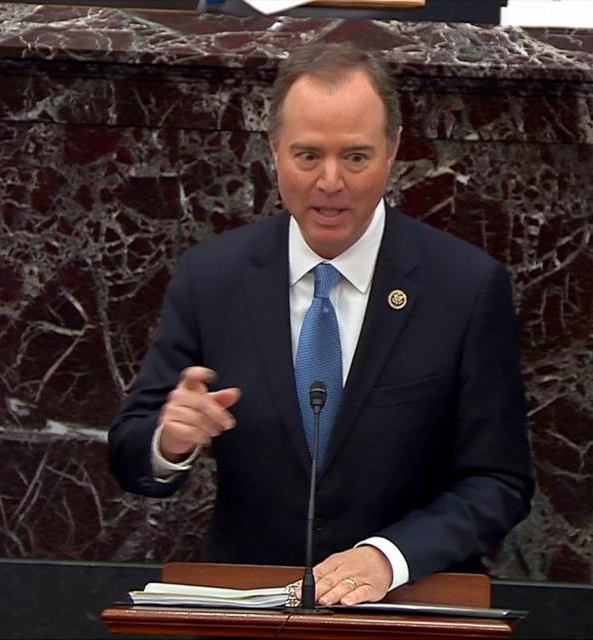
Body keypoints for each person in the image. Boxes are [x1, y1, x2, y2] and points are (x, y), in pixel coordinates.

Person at [108, 42, 533, 607]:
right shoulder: (212, 278)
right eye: (308, 156)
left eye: (355, 157)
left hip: (407, 605)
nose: (330, 182)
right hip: (248, 605)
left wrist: (389, 556)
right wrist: (170, 440)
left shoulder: (465, 287)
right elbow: (133, 454)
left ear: (393, 151)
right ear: (275, 152)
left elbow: (499, 482)